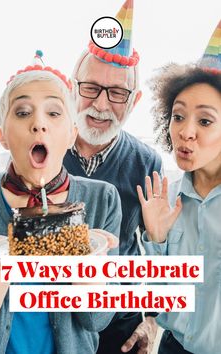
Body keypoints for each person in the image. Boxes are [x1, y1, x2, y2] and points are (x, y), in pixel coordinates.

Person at [0, 52, 122, 354]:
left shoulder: (103, 199)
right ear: (2, 136)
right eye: (22, 113)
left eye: (54, 113)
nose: (38, 124)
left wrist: (89, 260)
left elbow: (96, 319)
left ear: (72, 134)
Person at [63, 1, 161, 353]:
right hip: (55, 317)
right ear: (74, 87)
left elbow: (155, 247)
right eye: (91, 87)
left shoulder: (147, 162)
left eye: (117, 93)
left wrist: (150, 316)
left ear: (133, 101)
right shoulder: (41, 148)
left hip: (118, 325)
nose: (102, 105)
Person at [138, 20, 221, 354]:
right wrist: (155, 241)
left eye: (205, 121)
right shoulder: (166, 198)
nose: (186, 132)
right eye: (178, 116)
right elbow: (157, 304)